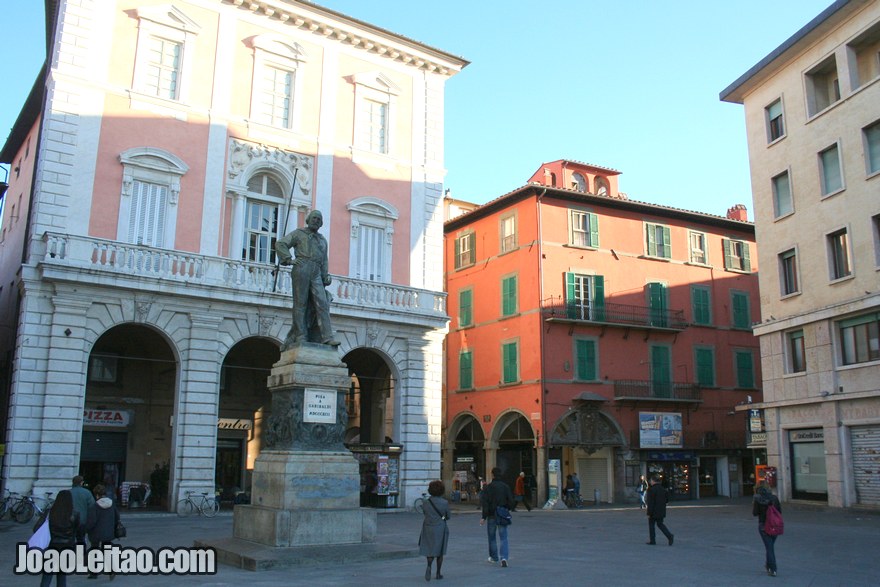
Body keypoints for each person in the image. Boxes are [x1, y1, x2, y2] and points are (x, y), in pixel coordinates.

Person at [275, 210, 340, 348]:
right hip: (302, 266)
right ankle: (301, 336)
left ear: (321, 223)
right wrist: (288, 259)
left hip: (316, 270)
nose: (316, 220)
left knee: (322, 303)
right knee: (301, 304)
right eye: (314, 218)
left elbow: (324, 260)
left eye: (319, 219)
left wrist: (325, 275)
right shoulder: (299, 233)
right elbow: (281, 244)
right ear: (308, 219)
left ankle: (327, 337)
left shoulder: (322, 240)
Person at [39, 489, 80, 587]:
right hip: (67, 546)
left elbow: (37, 528)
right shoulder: (75, 514)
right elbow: (78, 530)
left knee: (47, 576)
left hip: (51, 545)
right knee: (62, 575)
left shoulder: (50, 512)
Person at [480, 467, 515, 567]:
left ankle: (494, 557)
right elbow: (511, 501)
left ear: (492, 475)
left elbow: (485, 503)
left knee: (492, 537)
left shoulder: (488, 487)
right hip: (502, 513)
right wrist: (506, 508)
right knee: (503, 537)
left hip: (491, 514)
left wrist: (483, 517)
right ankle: (504, 558)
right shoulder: (505, 487)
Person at [85, 484, 121, 580]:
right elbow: (117, 517)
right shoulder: (112, 504)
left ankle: (93, 573)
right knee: (107, 551)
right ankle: (111, 569)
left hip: (96, 533)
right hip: (108, 532)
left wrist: (86, 529)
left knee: (94, 551)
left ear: (96, 495)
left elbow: (91, 521)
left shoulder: (95, 506)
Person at [418, 480, 450, 581]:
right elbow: (447, 516)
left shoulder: (426, 502)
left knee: (430, 549)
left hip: (428, 527)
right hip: (440, 527)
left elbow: (425, 513)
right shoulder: (444, 503)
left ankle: (428, 565)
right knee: (440, 551)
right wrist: (443, 518)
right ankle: (438, 573)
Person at [753, 483, 782, 577]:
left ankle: (772, 568)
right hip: (774, 525)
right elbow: (779, 511)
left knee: (769, 548)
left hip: (763, 525)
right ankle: (769, 565)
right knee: (770, 547)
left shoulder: (758, 498)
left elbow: (755, 513)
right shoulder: (774, 498)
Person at [645, 475, 674, 546]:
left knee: (651, 525)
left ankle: (653, 540)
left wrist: (649, 512)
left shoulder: (651, 490)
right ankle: (669, 536)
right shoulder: (663, 489)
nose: (650, 482)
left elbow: (650, 502)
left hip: (653, 511)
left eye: (651, 480)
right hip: (661, 510)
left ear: (653, 481)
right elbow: (667, 500)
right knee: (660, 524)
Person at [70, 475, 95, 546]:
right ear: (81, 483)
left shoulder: (68, 492)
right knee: (81, 539)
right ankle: (81, 554)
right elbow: (92, 507)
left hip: (70, 520)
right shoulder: (87, 493)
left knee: (70, 538)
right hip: (82, 521)